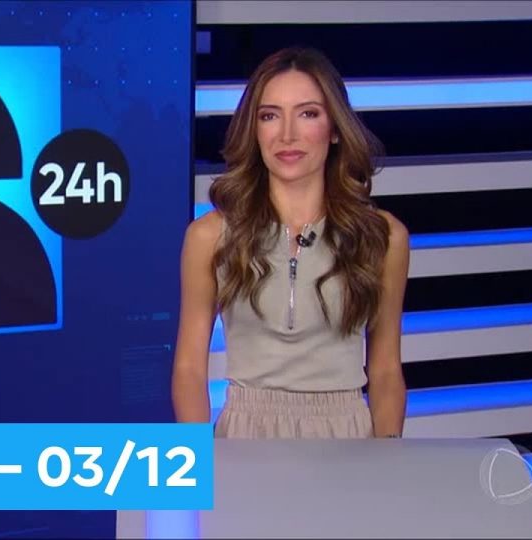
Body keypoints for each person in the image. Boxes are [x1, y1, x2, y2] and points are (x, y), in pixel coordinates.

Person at [171, 47, 409, 439]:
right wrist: (200, 461)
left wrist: (386, 459)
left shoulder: (383, 238)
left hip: (347, 438)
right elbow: (189, 369)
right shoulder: (209, 236)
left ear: (335, 129)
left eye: (308, 114)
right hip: (244, 436)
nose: (287, 135)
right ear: (254, 130)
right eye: (269, 116)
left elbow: (385, 371)